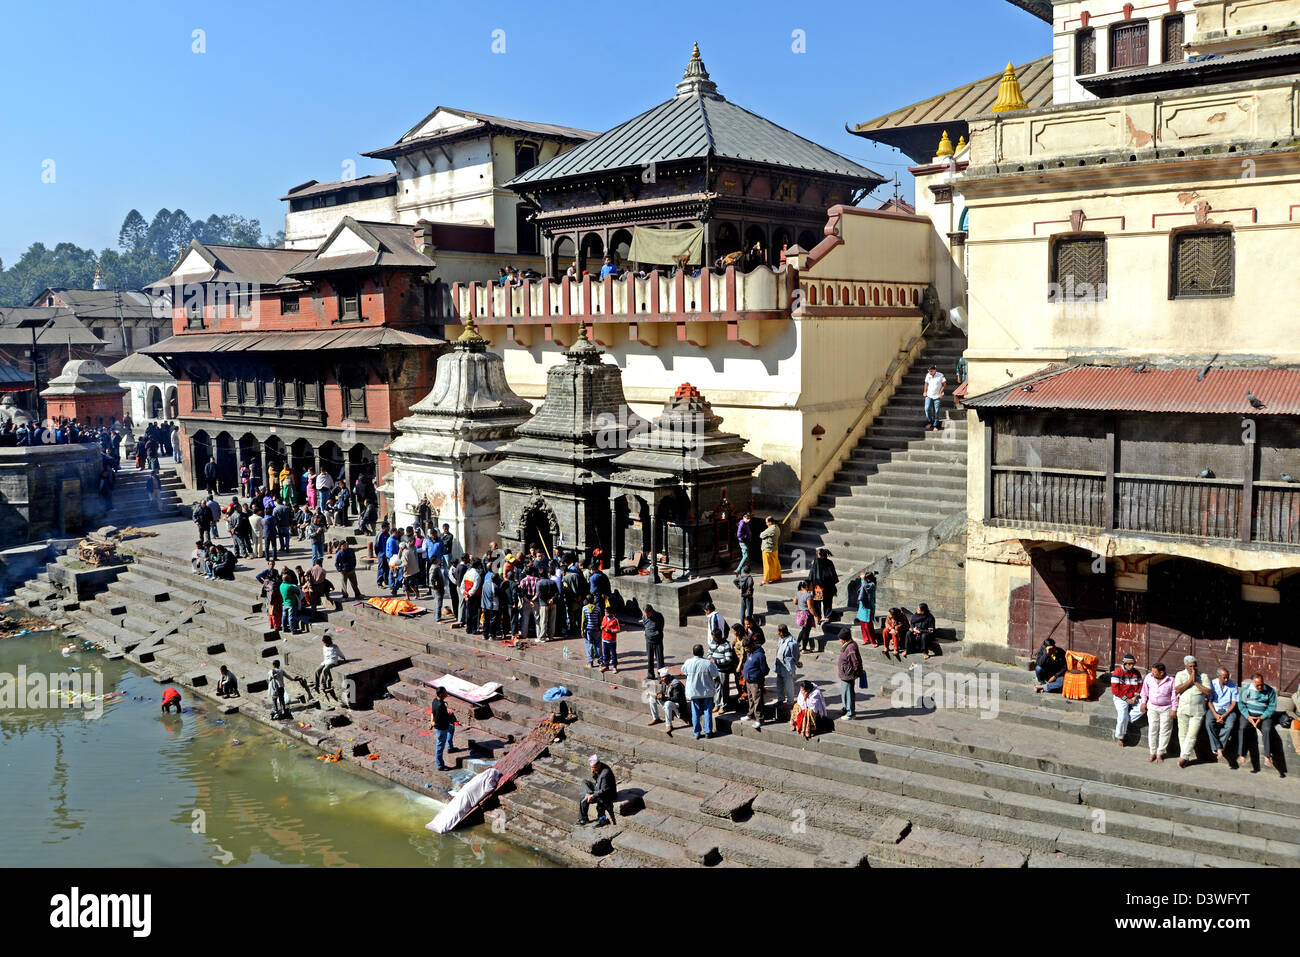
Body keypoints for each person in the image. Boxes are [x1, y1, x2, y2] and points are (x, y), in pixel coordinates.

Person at [1173, 655, 1211, 768]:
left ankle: (1183, 757)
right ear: (1185, 665)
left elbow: (1208, 691)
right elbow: (1177, 690)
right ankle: (1184, 756)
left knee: (1192, 734)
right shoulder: (1180, 675)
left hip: (1197, 710)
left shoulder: (1203, 676)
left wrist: (1196, 682)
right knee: (1182, 734)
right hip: (1183, 709)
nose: (1192, 668)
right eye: (1190, 666)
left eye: (1194, 666)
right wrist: (1190, 680)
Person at [1237, 673, 1278, 774]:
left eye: (1261, 684)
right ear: (1253, 683)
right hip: (1249, 714)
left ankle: (1267, 756)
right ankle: (1242, 754)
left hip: (1263, 715)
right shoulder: (1246, 690)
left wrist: (1262, 717)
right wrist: (1248, 717)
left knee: (1267, 730)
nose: (1260, 687)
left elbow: (1272, 707)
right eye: (1257, 685)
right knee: (1242, 727)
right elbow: (1241, 705)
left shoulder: (1270, 690)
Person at [1140, 661, 1176, 763]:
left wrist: (1174, 709)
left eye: (1155, 672)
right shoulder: (1149, 677)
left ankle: (1160, 753)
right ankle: (1152, 752)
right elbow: (1144, 691)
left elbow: (1174, 696)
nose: (1153, 674)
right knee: (1152, 729)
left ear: (1162, 673)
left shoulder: (1171, 680)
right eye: (1152, 672)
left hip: (1166, 709)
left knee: (1165, 731)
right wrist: (1143, 702)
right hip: (1152, 707)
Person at [682, 644, 720, 740]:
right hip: (706, 691)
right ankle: (708, 732)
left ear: (693, 652)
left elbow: (684, 671)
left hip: (694, 692)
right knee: (707, 711)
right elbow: (715, 674)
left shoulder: (688, 662)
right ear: (702, 652)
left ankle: (697, 733)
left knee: (695, 712)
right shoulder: (708, 663)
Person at [1205, 667, 1239, 767]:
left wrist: (1224, 715)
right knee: (1208, 722)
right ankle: (1219, 747)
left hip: (1227, 710)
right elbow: (1209, 702)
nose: (1226, 680)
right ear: (1218, 676)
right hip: (1214, 709)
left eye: (1227, 677)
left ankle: (1218, 746)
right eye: (1224, 678)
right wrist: (1216, 715)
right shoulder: (1212, 684)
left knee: (1230, 725)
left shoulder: (1233, 686)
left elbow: (1233, 703)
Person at [1109, 653, 1144, 747]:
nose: (1131, 666)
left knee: (1143, 707)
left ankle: (1126, 721)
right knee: (1122, 715)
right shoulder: (1117, 672)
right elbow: (1115, 691)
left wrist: (1135, 697)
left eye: (1132, 664)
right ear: (1124, 663)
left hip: (1133, 697)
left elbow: (1140, 687)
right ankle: (1120, 737)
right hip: (1121, 698)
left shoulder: (1136, 673)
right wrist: (1127, 699)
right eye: (1129, 664)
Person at [577, 754, 616, 827]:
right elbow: (597, 780)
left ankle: (583, 819)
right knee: (584, 782)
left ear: (599, 764)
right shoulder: (599, 768)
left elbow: (604, 790)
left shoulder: (605, 773)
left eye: (594, 767)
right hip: (598, 787)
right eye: (592, 767)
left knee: (583, 799)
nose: (593, 769)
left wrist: (593, 795)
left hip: (607, 795)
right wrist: (593, 773)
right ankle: (589, 794)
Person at [648, 667, 687, 735]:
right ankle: (656, 718)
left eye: (663, 677)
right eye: (661, 678)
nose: (662, 679)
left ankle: (669, 725)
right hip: (668, 700)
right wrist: (658, 695)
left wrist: (663, 698)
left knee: (667, 704)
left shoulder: (676, 684)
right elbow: (662, 691)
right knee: (652, 699)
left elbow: (676, 698)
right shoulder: (664, 682)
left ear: (668, 676)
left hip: (679, 705)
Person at [774, 624, 801, 717]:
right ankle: (780, 699)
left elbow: (796, 655)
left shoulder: (792, 643)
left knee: (788, 684)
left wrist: (796, 663)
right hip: (779, 665)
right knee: (779, 683)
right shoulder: (780, 639)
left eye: (778, 631)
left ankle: (790, 701)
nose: (777, 633)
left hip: (787, 666)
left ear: (782, 632)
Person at [742, 638, 769, 729]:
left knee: (757, 700)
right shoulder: (750, 652)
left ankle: (759, 719)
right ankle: (750, 714)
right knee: (750, 699)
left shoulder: (760, 655)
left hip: (755, 682)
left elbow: (765, 670)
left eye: (747, 648)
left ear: (752, 645)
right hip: (748, 681)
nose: (746, 650)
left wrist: (757, 676)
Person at [709, 627, 737, 713]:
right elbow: (709, 653)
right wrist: (710, 658)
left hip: (723, 670)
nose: (713, 639)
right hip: (714, 670)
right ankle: (717, 704)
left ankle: (723, 706)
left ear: (719, 637)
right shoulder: (713, 642)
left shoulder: (726, 645)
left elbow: (728, 659)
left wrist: (717, 661)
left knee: (724, 688)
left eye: (714, 637)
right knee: (716, 687)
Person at [837, 631, 864, 720]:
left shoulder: (851, 647)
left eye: (840, 639)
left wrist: (855, 672)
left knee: (849, 693)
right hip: (844, 674)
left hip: (848, 675)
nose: (840, 641)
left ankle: (851, 713)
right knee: (844, 692)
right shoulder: (848, 645)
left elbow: (855, 661)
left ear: (844, 639)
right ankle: (845, 707)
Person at [429, 686, 455, 771]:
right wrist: (433, 723)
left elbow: (433, 712)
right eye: (445, 692)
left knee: (452, 728)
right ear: (441, 694)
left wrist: (431, 722)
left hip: (446, 725)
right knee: (440, 746)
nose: (447, 693)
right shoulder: (440, 706)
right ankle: (440, 765)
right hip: (442, 728)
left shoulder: (435, 701)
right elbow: (436, 720)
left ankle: (450, 747)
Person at [808, 548, 838, 624]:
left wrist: (809, 584)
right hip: (826, 587)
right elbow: (833, 575)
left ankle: (820, 617)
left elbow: (811, 575)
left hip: (819, 587)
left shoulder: (816, 563)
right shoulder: (828, 562)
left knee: (819, 603)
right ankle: (825, 616)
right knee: (827, 602)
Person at [639, 603, 665, 678]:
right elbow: (645, 624)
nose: (646, 615)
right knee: (650, 658)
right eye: (645, 614)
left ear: (651, 611)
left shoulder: (659, 616)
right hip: (648, 640)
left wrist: (655, 634)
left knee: (659, 659)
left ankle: (661, 676)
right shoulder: (644, 616)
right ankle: (650, 674)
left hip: (657, 640)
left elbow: (661, 627)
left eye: (647, 614)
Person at [855, 571, 878, 646]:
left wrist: (862, 579)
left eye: (866, 578)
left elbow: (866, 588)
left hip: (868, 607)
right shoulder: (865, 582)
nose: (865, 579)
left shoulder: (872, 584)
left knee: (868, 625)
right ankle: (866, 639)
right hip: (863, 606)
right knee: (862, 625)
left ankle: (873, 641)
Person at [922, 363, 946, 431]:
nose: (930, 372)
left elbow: (944, 385)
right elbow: (926, 383)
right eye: (929, 371)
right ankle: (929, 422)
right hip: (929, 395)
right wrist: (925, 391)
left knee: (936, 411)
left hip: (937, 395)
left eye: (931, 371)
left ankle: (935, 425)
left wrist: (941, 393)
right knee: (926, 409)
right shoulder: (928, 375)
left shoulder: (940, 375)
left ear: (935, 370)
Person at [794, 581, 817, 652]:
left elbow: (795, 602)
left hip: (800, 614)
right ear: (807, 587)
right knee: (807, 632)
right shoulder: (808, 595)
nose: (812, 587)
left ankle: (797, 643)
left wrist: (801, 603)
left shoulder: (798, 593)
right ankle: (804, 648)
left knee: (804, 629)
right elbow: (810, 607)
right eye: (811, 585)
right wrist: (816, 616)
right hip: (807, 615)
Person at [581, 594, 602, 668]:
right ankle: (600, 662)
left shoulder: (584, 608)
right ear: (593, 600)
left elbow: (583, 620)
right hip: (596, 629)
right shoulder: (598, 609)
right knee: (598, 645)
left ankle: (590, 663)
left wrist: (582, 630)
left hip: (588, 630)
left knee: (589, 645)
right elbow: (600, 620)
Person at [759, 516, 781, 584]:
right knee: (775, 564)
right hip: (774, 548)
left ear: (770, 522)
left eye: (767, 522)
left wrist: (762, 533)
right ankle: (777, 576)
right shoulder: (777, 527)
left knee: (767, 565)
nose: (766, 524)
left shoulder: (771, 529)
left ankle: (766, 579)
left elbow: (761, 535)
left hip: (768, 549)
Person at [599, 602, 620, 673]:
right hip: (604, 639)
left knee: (613, 654)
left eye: (606, 613)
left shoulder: (615, 620)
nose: (605, 614)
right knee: (605, 653)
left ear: (610, 613)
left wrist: (610, 631)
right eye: (605, 612)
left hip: (611, 640)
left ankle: (614, 666)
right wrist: (602, 627)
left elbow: (618, 629)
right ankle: (606, 665)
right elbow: (602, 624)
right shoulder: (604, 618)